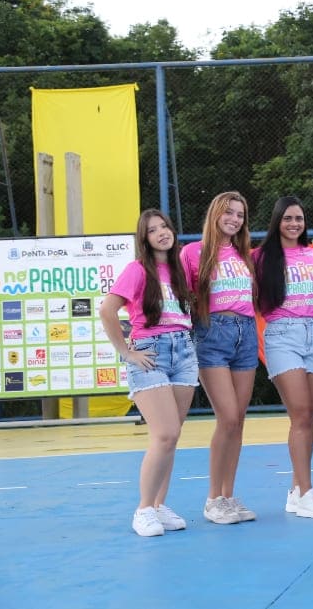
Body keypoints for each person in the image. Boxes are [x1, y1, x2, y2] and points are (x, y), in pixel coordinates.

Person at [99, 209, 198, 537]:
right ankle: (143, 509)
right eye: (153, 230)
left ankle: (158, 505)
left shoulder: (179, 270)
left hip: (184, 351)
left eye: (165, 227)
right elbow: (107, 309)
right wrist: (126, 352)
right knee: (165, 434)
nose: (161, 233)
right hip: (152, 353)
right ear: (145, 238)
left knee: (173, 436)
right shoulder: (138, 269)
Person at [254, 196, 313, 519]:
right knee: (300, 413)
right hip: (282, 335)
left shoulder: (311, 255)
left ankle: (295, 491)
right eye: (288, 218)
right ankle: (306, 492)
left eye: (299, 219)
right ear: (277, 221)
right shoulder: (260, 258)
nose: (294, 224)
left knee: (310, 415)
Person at [180, 191, 258, 525]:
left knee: (238, 419)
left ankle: (228, 495)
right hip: (213, 332)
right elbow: (178, 293)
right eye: (229, 213)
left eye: (240, 214)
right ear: (215, 214)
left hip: (246, 333)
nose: (234, 219)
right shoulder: (192, 252)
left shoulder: (245, 254)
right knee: (226, 417)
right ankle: (213, 498)